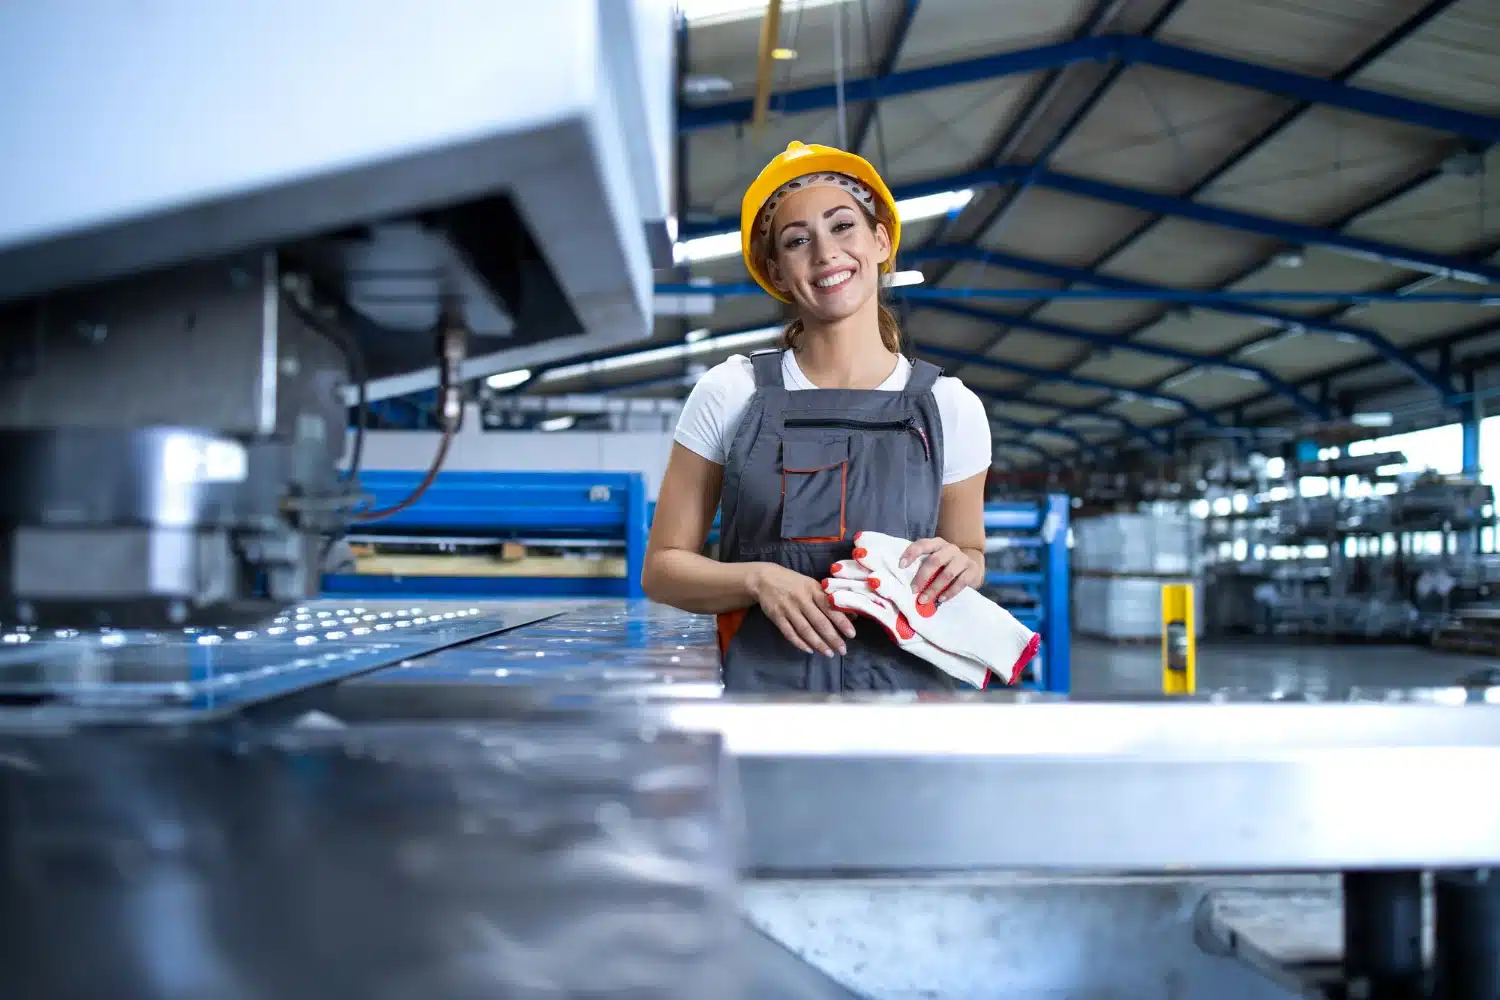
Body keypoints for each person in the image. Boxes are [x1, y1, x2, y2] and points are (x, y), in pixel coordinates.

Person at [642, 141, 993, 692]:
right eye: (797, 240)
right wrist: (757, 580)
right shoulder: (730, 392)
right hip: (765, 709)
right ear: (778, 273)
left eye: (842, 227)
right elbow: (662, 569)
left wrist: (961, 564)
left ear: (880, 241)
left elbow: (969, 554)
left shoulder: (950, 406)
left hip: (908, 708)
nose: (826, 253)